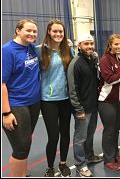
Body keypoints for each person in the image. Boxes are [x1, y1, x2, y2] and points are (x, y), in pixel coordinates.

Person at [2, 19, 41, 177]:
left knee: (26, 143)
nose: (32, 34)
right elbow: (2, 84)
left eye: (34, 31)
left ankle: (21, 174)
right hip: (17, 105)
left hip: (33, 103)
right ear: (18, 30)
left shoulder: (31, 48)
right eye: (28, 31)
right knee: (21, 147)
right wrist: (6, 113)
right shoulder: (7, 50)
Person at [35, 20, 73, 177]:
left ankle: (63, 164)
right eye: (55, 31)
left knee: (65, 133)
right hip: (48, 100)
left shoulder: (68, 50)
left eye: (61, 32)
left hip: (66, 99)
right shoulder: (39, 51)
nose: (58, 34)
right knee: (53, 135)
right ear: (49, 32)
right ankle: (50, 167)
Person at [67, 33, 102, 177]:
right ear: (79, 46)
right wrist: (78, 109)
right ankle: (80, 165)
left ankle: (89, 156)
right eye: (86, 44)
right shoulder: (75, 63)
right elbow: (72, 89)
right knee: (80, 138)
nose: (89, 46)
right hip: (82, 109)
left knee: (90, 134)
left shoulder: (91, 60)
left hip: (93, 107)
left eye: (91, 43)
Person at [98, 34, 120, 172]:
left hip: (119, 101)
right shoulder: (105, 60)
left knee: (116, 129)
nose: (119, 46)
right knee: (109, 131)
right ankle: (108, 160)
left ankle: (115, 154)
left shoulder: (119, 58)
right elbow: (109, 79)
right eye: (116, 44)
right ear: (110, 45)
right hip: (107, 101)